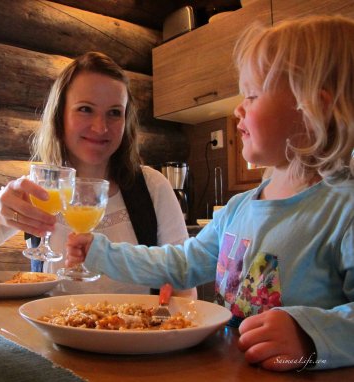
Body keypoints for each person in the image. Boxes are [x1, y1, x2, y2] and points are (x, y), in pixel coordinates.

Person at [64, 15, 354, 371]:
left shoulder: (344, 209)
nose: (238, 108)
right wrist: (100, 252)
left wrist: (310, 338)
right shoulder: (237, 209)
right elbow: (179, 263)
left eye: (251, 95)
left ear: (313, 108)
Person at [0, 51, 195, 297]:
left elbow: (184, 289)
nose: (100, 127)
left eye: (114, 112)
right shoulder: (39, 189)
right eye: (85, 109)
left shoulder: (152, 187)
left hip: (138, 334)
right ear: (60, 117)